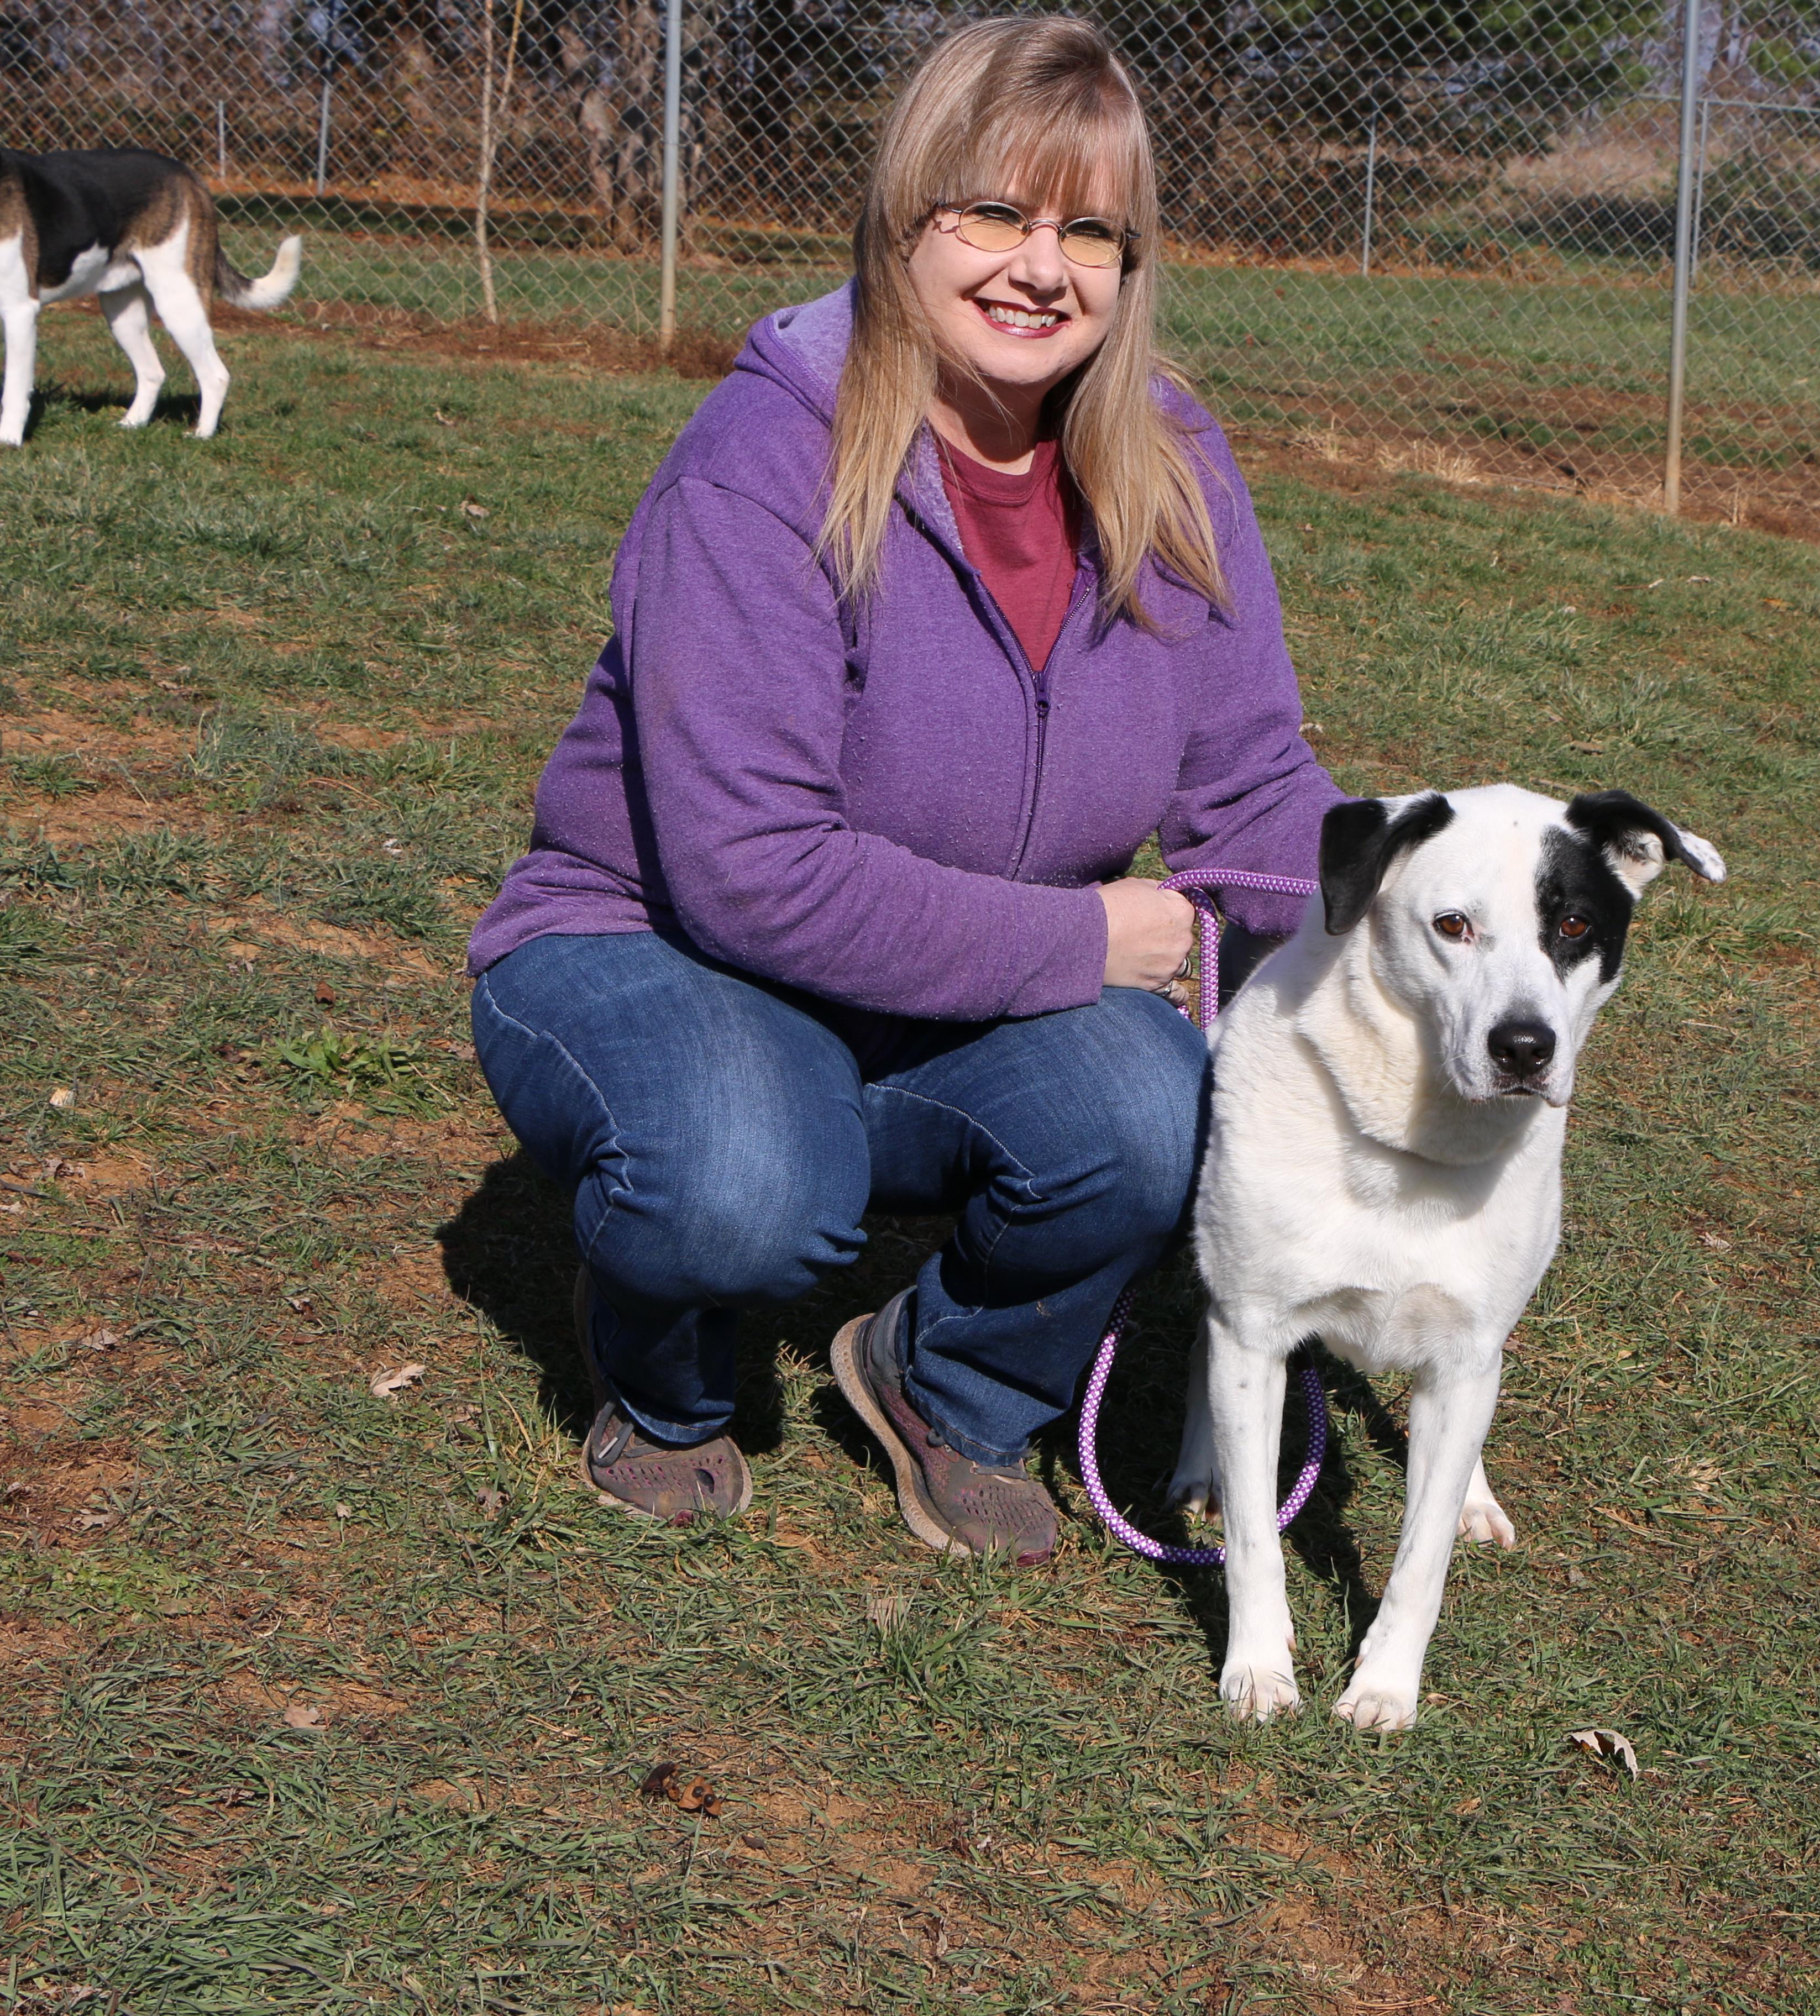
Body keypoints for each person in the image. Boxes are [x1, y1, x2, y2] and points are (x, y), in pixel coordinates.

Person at [465, 14, 1342, 1565]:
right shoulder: (763, 460)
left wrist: (1416, 920)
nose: (1042, 269)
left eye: (1091, 232)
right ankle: (666, 1380)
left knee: (1161, 1116)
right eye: (995, 212)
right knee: (740, 1185)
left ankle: (947, 1381)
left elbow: (1254, 780)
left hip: (952, 985)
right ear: (904, 217)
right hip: (659, 947)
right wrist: (1087, 941)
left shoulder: (1172, 465)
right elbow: (750, 871)